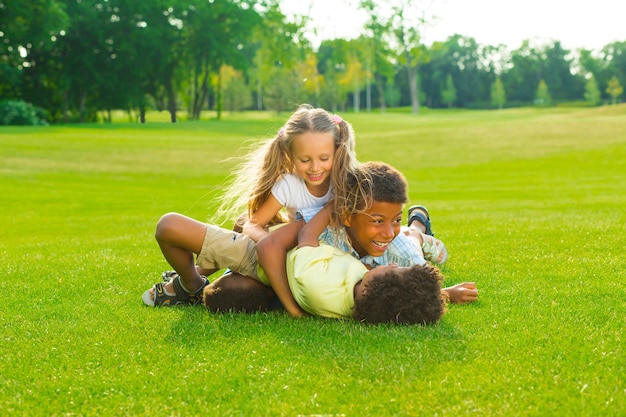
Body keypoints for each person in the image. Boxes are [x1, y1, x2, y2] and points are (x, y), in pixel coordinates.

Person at [143, 104, 359, 306]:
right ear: (290, 155)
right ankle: (192, 282)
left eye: (324, 158)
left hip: (320, 267)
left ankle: (195, 278)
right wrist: (270, 244)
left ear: (337, 151)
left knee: (229, 290)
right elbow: (252, 225)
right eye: (305, 160)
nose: (315, 168)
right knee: (238, 226)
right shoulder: (290, 184)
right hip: (282, 261)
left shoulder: (347, 184)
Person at [205, 161, 477, 316]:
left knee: (406, 236)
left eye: (395, 217)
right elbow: (249, 242)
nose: (387, 229)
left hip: (401, 244)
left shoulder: (403, 254)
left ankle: (418, 224)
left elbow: (411, 289)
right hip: (355, 237)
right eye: (380, 220)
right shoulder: (325, 235)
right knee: (388, 232)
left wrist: (446, 294)